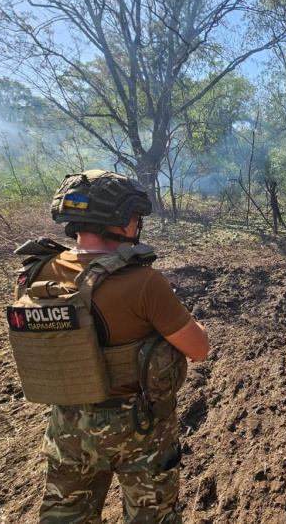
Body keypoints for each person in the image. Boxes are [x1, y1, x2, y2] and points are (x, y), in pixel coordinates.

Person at [17, 170, 208, 523]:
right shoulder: (143, 282)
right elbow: (199, 348)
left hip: (68, 425)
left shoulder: (37, 272)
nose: (137, 224)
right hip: (140, 429)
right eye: (135, 217)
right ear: (119, 220)